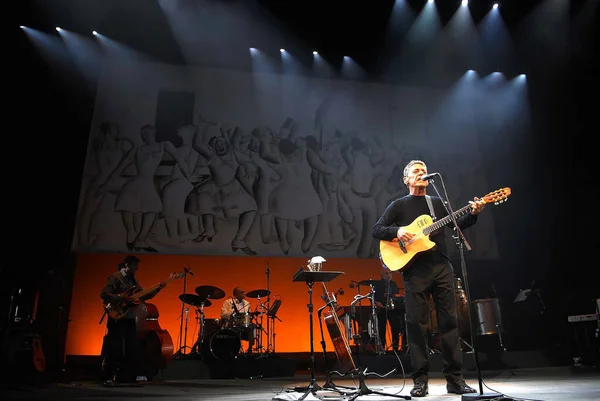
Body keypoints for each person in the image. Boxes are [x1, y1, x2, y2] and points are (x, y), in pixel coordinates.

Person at [371, 160, 485, 397]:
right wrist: (397, 231)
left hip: (442, 266)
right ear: (407, 179)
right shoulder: (399, 205)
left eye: (424, 170)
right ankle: (420, 380)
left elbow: (457, 226)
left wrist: (473, 214)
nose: (422, 173)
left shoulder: (436, 203)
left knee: (450, 323)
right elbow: (377, 229)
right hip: (415, 271)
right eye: (416, 171)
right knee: (416, 325)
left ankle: (455, 380)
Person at [99, 255, 166, 386]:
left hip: (129, 317)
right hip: (116, 316)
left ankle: (127, 376)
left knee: (131, 346)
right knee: (114, 347)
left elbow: (144, 295)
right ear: (127, 265)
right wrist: (121, 298)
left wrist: (158, 288)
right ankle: (107, 377)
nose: (137, 269)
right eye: (135, 266)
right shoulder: (115, 277)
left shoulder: (133, 281)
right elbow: (104, 294)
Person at [373, 266, 406, 353]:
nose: (389, 275)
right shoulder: (378, 285)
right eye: (386, 273)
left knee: (395, 328)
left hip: (393, 309)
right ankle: (382, 349)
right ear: (382, 275)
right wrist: (376, 302)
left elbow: (397, 296)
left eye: (390, 273)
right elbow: (373, 297)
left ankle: (395, 348)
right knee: (381, 330)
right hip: (382, 309)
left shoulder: (394, 284)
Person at [220, 287, 255, 354]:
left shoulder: (247, 303)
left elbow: (249, 315)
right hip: (232, 324)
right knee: (234, 328)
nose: (244, 294)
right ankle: (235, 349)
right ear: (235, 294)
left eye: (244, 292)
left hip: (244, 324)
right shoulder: (228, 302)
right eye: (241, 292)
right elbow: (223, 314)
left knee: (253, 326)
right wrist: (232, 314)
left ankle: (250, 349)